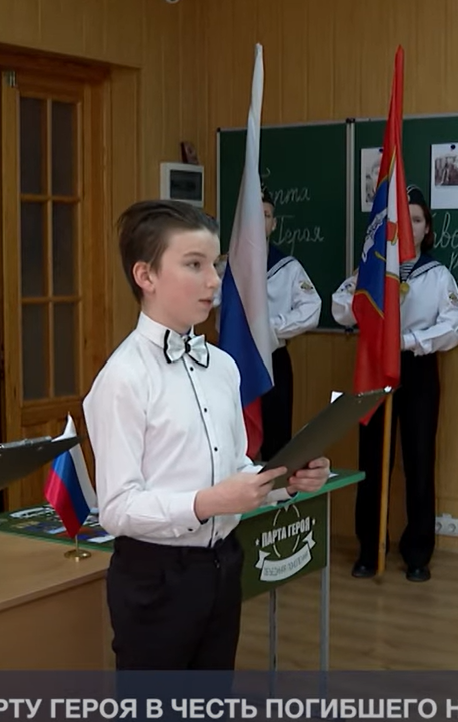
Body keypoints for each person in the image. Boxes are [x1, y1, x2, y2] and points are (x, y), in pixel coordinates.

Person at [84, 200, 330, 671]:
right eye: (194, 265)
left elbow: (236, 468)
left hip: (222, 567)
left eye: (214, 265)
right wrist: (207, 503)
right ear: (146, 275)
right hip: (156, 579)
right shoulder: (123, 379)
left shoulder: (223, 366)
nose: (215, 281)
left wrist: (286, 481)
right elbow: (117, 508)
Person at [332, 185, 458, 583]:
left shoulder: (437, 275)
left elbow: (453, 327)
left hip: (418, 369)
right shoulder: (371, 270)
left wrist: (407, 341)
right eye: (402, 220)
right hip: (375, 369)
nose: (410, 226)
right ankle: (369, 548)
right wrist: (365, 304)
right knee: (373, 460)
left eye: (417, 220)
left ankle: (418, 552)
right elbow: (340, 309)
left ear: (427, 229)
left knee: (419, 460)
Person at [212, 183, 323, 459]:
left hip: (272, 360)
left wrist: (269, 327)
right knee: (233, 439)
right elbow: (206, 300)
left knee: (277, 440)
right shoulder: (226, 267)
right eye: (253, 213)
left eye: (266, 215)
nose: (259, 220)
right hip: (233, 358)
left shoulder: (287, 267)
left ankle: (275, 487)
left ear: (273, 224)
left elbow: (311, 309)